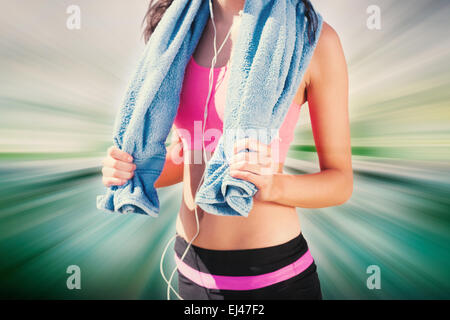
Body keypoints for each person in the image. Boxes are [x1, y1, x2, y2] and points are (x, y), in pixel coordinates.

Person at [101, 0, 352, 300]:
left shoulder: (312, 39)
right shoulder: (175, 32)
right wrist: (130, 170)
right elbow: (190, 156)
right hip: (191, 274)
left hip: (273, 279)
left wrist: (271, 186)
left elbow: (340, 183)